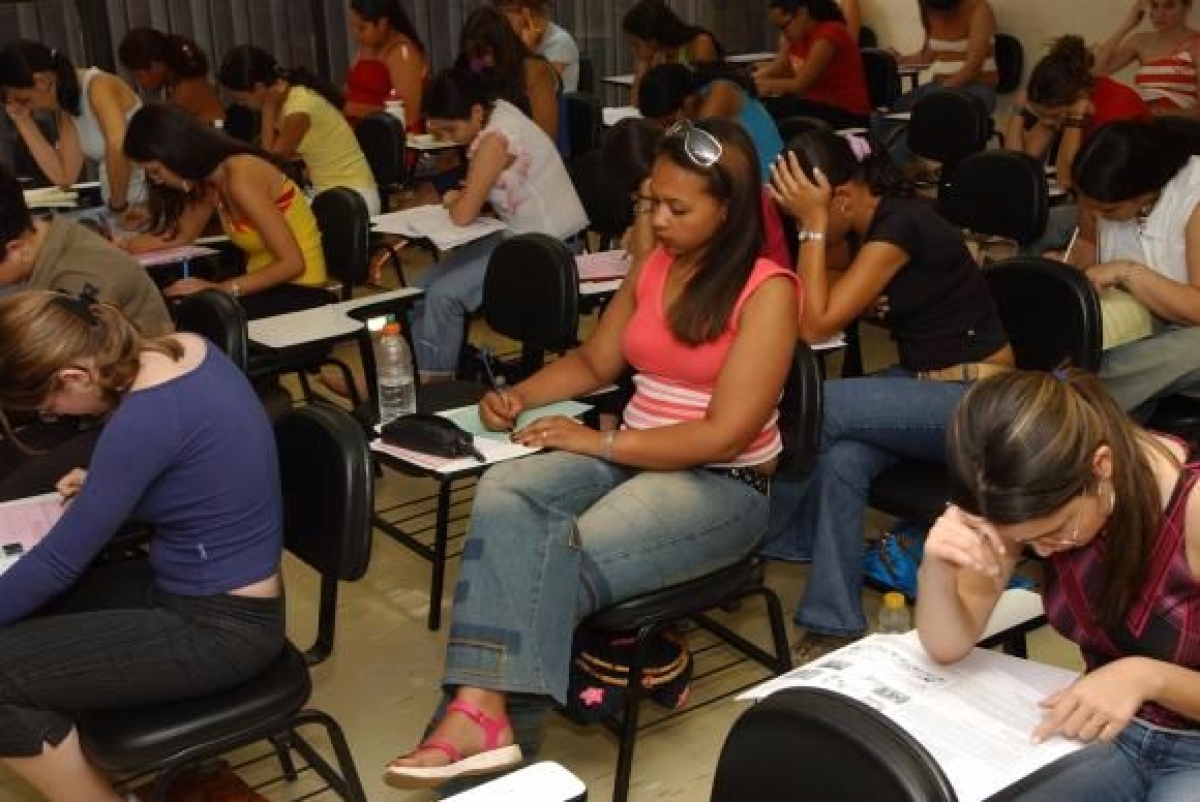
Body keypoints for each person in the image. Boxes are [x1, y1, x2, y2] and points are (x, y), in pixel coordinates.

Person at [383, 118, 798, 790]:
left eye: (677, 208)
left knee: (551, 551)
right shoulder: (657, 267)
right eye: (650, 202)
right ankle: (485, 721)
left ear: (728, 211)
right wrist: (521, 395)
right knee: (505, 496)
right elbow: (595, 359)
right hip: (632, 452)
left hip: (720, 486)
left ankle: (474, 734)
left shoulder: (768, 291)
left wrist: (600, 440)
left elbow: (724, 435)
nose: (657, 220)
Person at [0, 290, 285, 802]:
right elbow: (200, 468)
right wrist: (107, 477)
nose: (56, 416)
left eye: (49, 406)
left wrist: (115, 470)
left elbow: (60, 561)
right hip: (210, 592)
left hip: (222, 627)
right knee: (28, 621)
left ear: (75, 376)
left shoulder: (145, 416)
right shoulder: (183, 349)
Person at [763, 129, 1013, 660]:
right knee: (843, 459)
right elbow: (818, 283)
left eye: (807, 213)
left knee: (816, 407)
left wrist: (812, 229)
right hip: (923, 383)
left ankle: (759, 538)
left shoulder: (901, 224)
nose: (802, 226)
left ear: (845, 199)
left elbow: (815, 323)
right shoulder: (877, 226)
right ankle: (834, 617)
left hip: (979, 398)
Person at [916, 369, 1200, 800]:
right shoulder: (1022, 493)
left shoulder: (1192, 509)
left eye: (1058, 530)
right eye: (1027, 541)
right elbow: (947, 644)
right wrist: (936, 569)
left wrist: (1147, 678)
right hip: (1106, 730)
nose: (1046, 553)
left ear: (1101, 466)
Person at [0, 165, 173, 502]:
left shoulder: (84, 277)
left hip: (121, 419)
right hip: (79, 405)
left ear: (16, 246)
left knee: (10, 497)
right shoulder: (44, 243)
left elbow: (60, 385)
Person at [411, 67, 586, 380]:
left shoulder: (496, 138)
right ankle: (415, 372)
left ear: (477, 112)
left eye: (451, 131)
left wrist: (454, 199)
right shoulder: (497, 115)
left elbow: (463, 214)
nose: (448, 141)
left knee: (444, 295)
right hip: (519, 236)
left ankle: (436, 391)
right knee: (419, 288)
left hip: (551, 248)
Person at [121, 103, 330, 320]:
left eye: (155, 170)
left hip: (302, 291)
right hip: (264, 288)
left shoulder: (241, 177)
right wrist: (121, 246)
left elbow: (293, 264)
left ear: (177, 152)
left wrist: (220, 289)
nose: (156, 180)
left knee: (194, 321)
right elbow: (180, 236)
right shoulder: (211, 180)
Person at [1058, 118, 1200, 416]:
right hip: (1139, 319)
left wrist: (1128, 271)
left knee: (1188, 349)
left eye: (1108, 211)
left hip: (1190, 327)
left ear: (1146, 195)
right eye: (1087, 204)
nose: (1095, 215)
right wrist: (1067, 271)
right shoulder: (1099, 194)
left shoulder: (1193, 197)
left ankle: (1068, 405)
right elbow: (1086, 242)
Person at [218, 45, 381, 216]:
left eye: (242, 99)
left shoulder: (298, 109)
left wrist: (268, 110)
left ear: (259, 87)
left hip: (354, 201)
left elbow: (269, 165)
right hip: (329, 193)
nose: (240, 105)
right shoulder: (289, 96)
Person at [0, 39, 146, 222]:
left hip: (143, 203)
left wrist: (119, 205)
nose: (31, 108)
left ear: (42, 81)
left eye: (25, 99)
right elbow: (64, 176)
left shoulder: (98, 86)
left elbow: (118, 145)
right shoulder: (68, 101)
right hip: (122, 206)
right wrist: (22, 121)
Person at [1006, 36, 1150, 192]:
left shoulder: (1119, 105)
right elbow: (1019, 168)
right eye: (1041, 115)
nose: (1047, 122)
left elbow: (1067, 180)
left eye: (1053, 116)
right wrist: (1017, 113)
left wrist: (1074, 120)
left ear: (1079, 95)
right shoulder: (1060, 108)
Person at [873, 0, 999, 168]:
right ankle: (893, 169)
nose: (937, 16)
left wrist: (938, 95)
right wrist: (899, 60)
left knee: (918, 125)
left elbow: (972, 68)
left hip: (976, 88)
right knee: (881, 116)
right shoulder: (927, 8)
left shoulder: (979, 10)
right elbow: (926, 57)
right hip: (939, 86)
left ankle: (892, 172)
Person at [638, 63, 784, 182]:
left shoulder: (721, 93)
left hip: (765, 183)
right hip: (739, 178)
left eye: (668, 122)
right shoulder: (696, 99)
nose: (667, 128)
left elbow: (692, 152)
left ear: (687, 103)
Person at [753, 0, 872, 129]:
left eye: (784, 26)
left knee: (775, 110)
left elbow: (800, 84)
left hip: (846, 113)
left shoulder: (830, 34)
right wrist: (745, 81)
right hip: (816, 106)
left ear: (802, 13)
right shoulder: (794, 37)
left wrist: (755, 85)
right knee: (764, 107)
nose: (783, 33)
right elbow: (777, 69)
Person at [459, 6, 563, 150]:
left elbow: (546, 138)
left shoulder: (534, 70)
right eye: (473, 54)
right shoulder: (479, 68)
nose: (478, 60)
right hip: (489, 151)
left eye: (484, 53)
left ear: (501, 47)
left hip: (531, 158)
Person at [1094, 0, 1200, 116]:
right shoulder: (1141, 41)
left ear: (1186, 8)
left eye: (1169, 6)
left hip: (1176, 125)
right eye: (1154, 6)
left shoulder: (1196, 43)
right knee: (1102, 90)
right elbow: (1097, 71)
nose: (1160, 14)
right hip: (1142, 117)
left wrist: (1164, 113)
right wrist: (1127, 24)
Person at [344, 0, 429, 129]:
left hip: (389, 136)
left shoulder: (402, 51)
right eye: (352, 26)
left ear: (382, 24)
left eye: (362, 28)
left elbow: (410, 113)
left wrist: (354, 109)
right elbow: (350, 88)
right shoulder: (365, 47)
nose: (355, 34)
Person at [622, 0, 724, 106]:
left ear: (653, 40)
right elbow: (637, 103)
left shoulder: (699, 43)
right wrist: (643, 63)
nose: (632, 50)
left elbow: (699, 99)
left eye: (636, 45)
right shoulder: (658, 55)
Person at [116, 28, 225, 125]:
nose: (139, 82)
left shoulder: (185, 90)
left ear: (155, 65)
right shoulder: (184, 83)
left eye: (138, 76)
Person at [494, 0, 581, 93]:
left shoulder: (560, 42)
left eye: (508, 11)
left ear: (527, 14)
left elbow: (540, 87)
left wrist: (526, 50)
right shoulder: (510, 39)